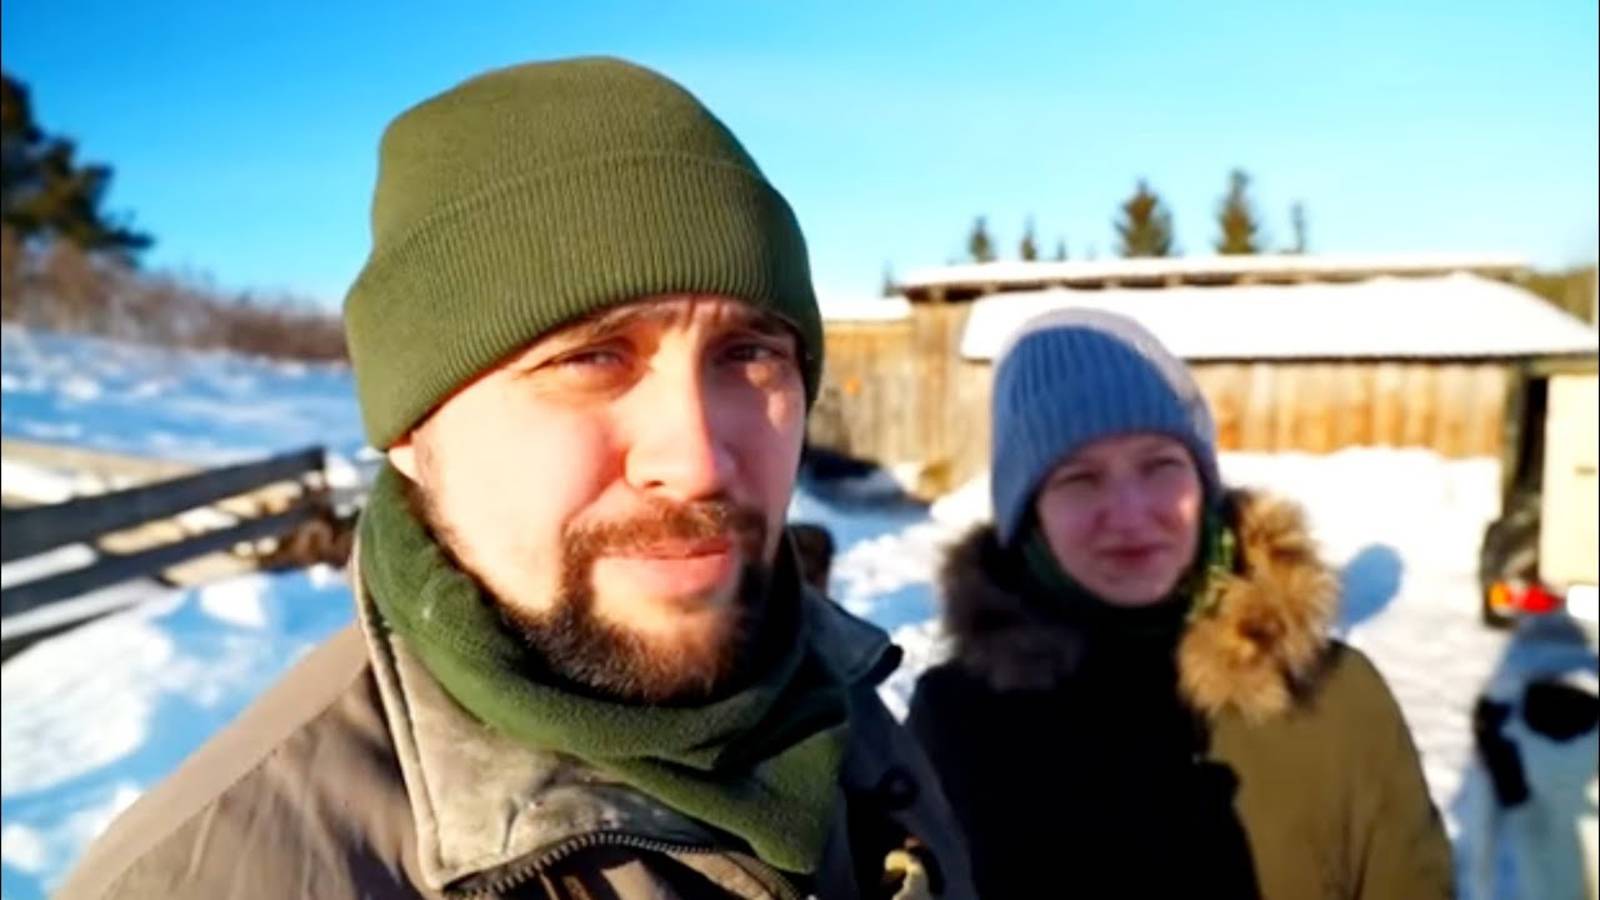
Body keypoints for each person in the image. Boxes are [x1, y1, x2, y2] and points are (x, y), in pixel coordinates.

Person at [60, 58, 973, 900]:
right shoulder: (221, 874)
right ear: (410, 430)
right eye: (592, 358)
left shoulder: (839, 709)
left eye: (748, 354)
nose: (697, 461)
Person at [906, 308, 1452, 898]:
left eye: (1160, 466)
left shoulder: (1337, 697)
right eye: (1080, 478)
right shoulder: (958, 719)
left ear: (1202, 484)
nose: (1131, 514)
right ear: (1029, 515)